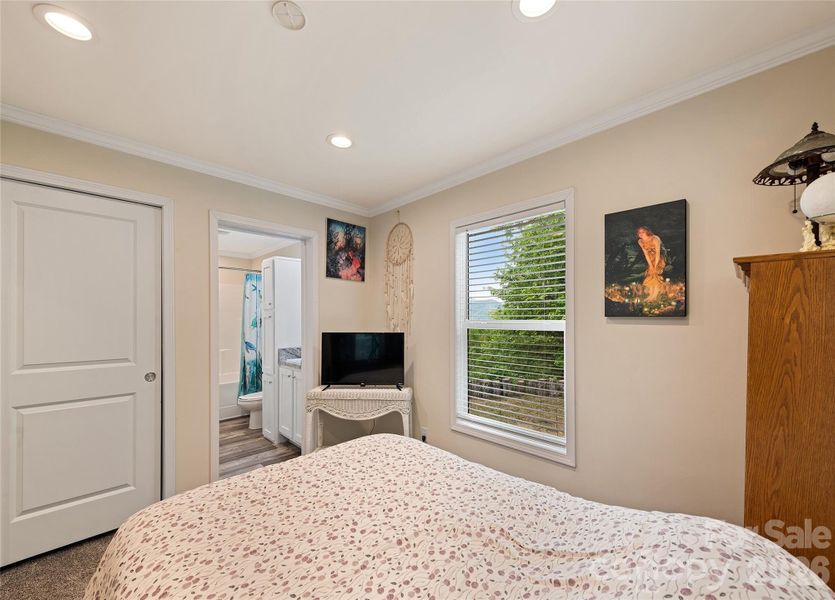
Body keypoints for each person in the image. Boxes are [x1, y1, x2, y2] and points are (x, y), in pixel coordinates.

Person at [636, 226, 667, 301]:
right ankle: (651, 294)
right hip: (650, 259)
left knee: (656, 275)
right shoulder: (640, 241)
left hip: (659, 258)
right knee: (650, 275)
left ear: (647, 231)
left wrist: (655, 266)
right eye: (639, 232)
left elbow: (658, 253)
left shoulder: (655, 238)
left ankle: (655, 295)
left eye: (643, 232)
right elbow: (646, 254)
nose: (641, 234)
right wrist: (650, 265)